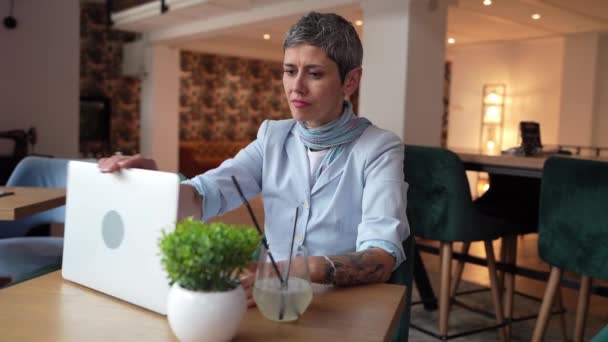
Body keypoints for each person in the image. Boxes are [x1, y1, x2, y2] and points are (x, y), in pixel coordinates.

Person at [99, 11, 409, 307]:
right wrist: (156, 186)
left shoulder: (380, 148)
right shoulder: (272, 137)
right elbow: (208, 193)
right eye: (289, 71)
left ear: (350, 81)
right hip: (268, 297)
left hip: (343, 307)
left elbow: (380, 259)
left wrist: (286, 271)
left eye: (313, 73)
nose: (295, 87)